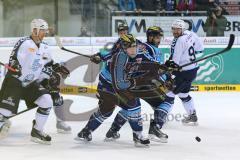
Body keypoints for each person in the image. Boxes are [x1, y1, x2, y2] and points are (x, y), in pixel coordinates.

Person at [0, 19, 68, 144]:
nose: (44, 33)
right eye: (42, 30)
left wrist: (55, 69)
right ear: (35, 30)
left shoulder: (45, 48)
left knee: (46, 101)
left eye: (45, 30)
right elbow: (13, 57)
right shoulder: (24, 42)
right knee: (5, 112)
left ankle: (37, 131)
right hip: (15, 81)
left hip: (31, 83)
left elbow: (48, 65)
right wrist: (15, 65)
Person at [75, 34, 150, 147]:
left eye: (135, 46)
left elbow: (151, 62)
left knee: (128, 108)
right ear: (123, 48)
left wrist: (164, 67)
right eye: (130, 47)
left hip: (121, 85)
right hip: (108, 86)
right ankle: (137, 135)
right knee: (122, 107)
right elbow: (119, 83)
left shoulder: (138, 52)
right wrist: (137, 83)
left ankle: (91, 131)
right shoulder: (119, 58)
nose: (133, 49)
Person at [105, 26, 170, 143]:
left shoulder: (141, 46)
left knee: (130, 107)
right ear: (150, 37)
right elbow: (155, 69)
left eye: (160, 37)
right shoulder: (152, 49)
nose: (159, 39)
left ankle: (113, 130)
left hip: (134, 83)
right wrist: (166, 76)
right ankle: (155, 128)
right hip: (142, 83)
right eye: (157, 37)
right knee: (166, 101)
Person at [162, 19, 204, 126]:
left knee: (169, 92)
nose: (175, 31)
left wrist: (168, 66)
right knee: (183, 94)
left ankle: (161, 116)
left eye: (178, 29)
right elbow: (200, 48)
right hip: (192, 70)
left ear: (182, 29)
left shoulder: (179, 41)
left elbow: (175, 63)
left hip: (184, 72)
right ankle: (192, 116)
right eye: (174, 29)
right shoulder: (190, 34)